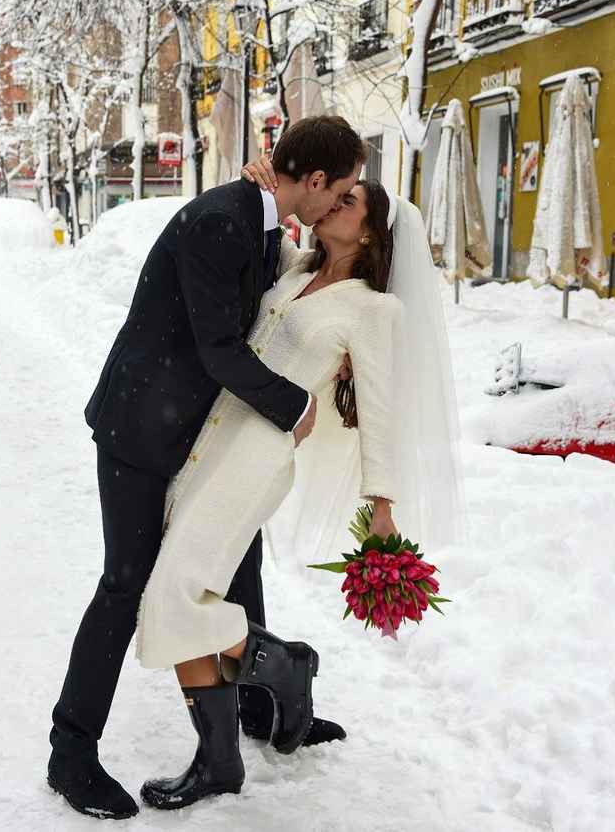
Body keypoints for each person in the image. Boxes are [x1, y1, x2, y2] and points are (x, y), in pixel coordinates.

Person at [48, 116, 368, 820]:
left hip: (192, 433)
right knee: (125, 587)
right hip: (138, 432)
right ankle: (69, 753)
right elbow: (220, 348)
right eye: (340, 188)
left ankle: (259, 708)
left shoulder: (257, 219)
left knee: (239, 564)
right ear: (312, 181)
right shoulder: (222, 221)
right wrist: (293, 407)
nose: (342, 199)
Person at [134, 161, 463, 811]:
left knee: (173, 598)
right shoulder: (295, 268)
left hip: (261, 455)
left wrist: (383, 508)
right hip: (212, 438)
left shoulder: (375, 310)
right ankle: (225, 754)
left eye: (352, 201)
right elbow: (266, 221)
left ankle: (279, 671)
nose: (337, 202)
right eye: (339, 192)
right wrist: (261, 180)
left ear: (370, 234)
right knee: (182, 596)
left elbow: (380, 411)